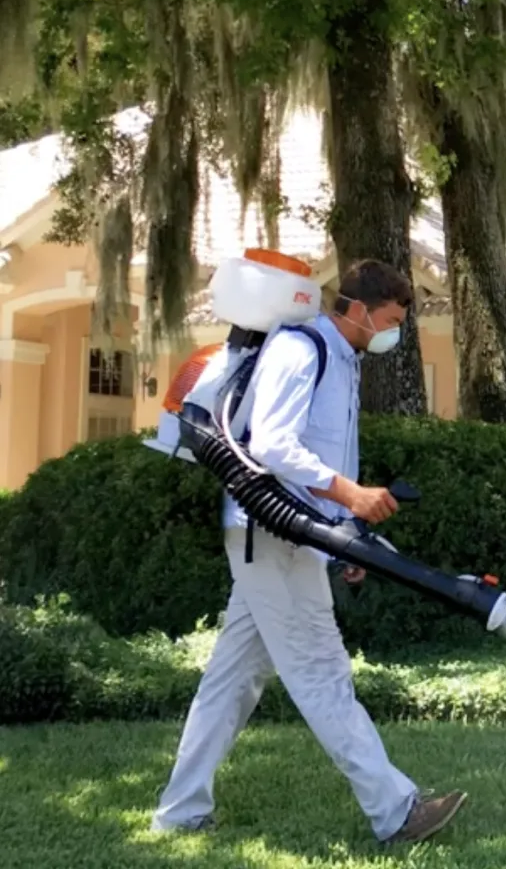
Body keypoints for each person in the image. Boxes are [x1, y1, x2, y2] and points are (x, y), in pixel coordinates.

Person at [151, 259, 466, 846]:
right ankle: (396, 811)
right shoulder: (302, 350)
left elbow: (327, 458)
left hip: (294, 536)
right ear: (359, 309)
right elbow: (273, 445)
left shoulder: (343, 362)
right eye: (390, 322)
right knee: (323, 672)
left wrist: (345, 535)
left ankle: (180, 810)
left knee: (233, 678)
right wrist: (350, 495)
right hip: (270, 531)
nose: (393, 335)